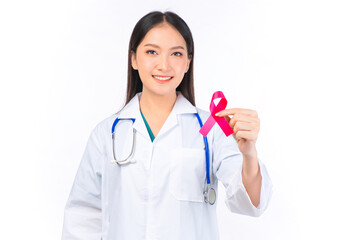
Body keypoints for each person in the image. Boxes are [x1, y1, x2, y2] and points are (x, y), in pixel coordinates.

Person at [62, 11, 273, 240]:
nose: (164, 65)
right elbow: (82, 221)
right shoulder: (106, 133)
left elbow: (250, 203)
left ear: (187, 62)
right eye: (152, 52)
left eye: (176, 54)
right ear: (134, 58)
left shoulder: (211, 129)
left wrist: (249, 152)